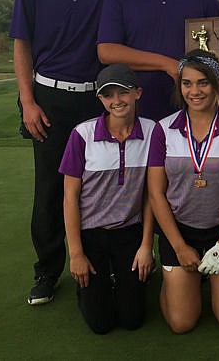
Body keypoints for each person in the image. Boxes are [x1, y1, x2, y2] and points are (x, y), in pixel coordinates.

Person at [9, 0, 117, 305]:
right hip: (50, 98)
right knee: (51, 187)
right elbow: (22, 44)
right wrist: (27, 102)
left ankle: (101, 261)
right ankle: (48, 271)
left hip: (95, 98)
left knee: (100, 183)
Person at [147, 50, 219, 333]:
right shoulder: (163, 129)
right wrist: (180, 247)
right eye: (187, 83)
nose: (194, 91)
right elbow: (156, 194)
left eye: (203, 83)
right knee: (181, 323)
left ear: (217, 84)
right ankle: (173, 285)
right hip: (179, 231)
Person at [59, 64, 154, 334]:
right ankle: (93, 291)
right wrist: (76, 254)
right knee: (101, 324)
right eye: (108, 95)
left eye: (122, 93)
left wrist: (147, 245)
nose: (116, 101)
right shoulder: (82, 135)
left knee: (132, 320)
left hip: (130, 232)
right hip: (91, 234)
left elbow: (151, 196)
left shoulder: (152, 132)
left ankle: (124, 281)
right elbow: (69, 198)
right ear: (100, 99)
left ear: (137, 93)